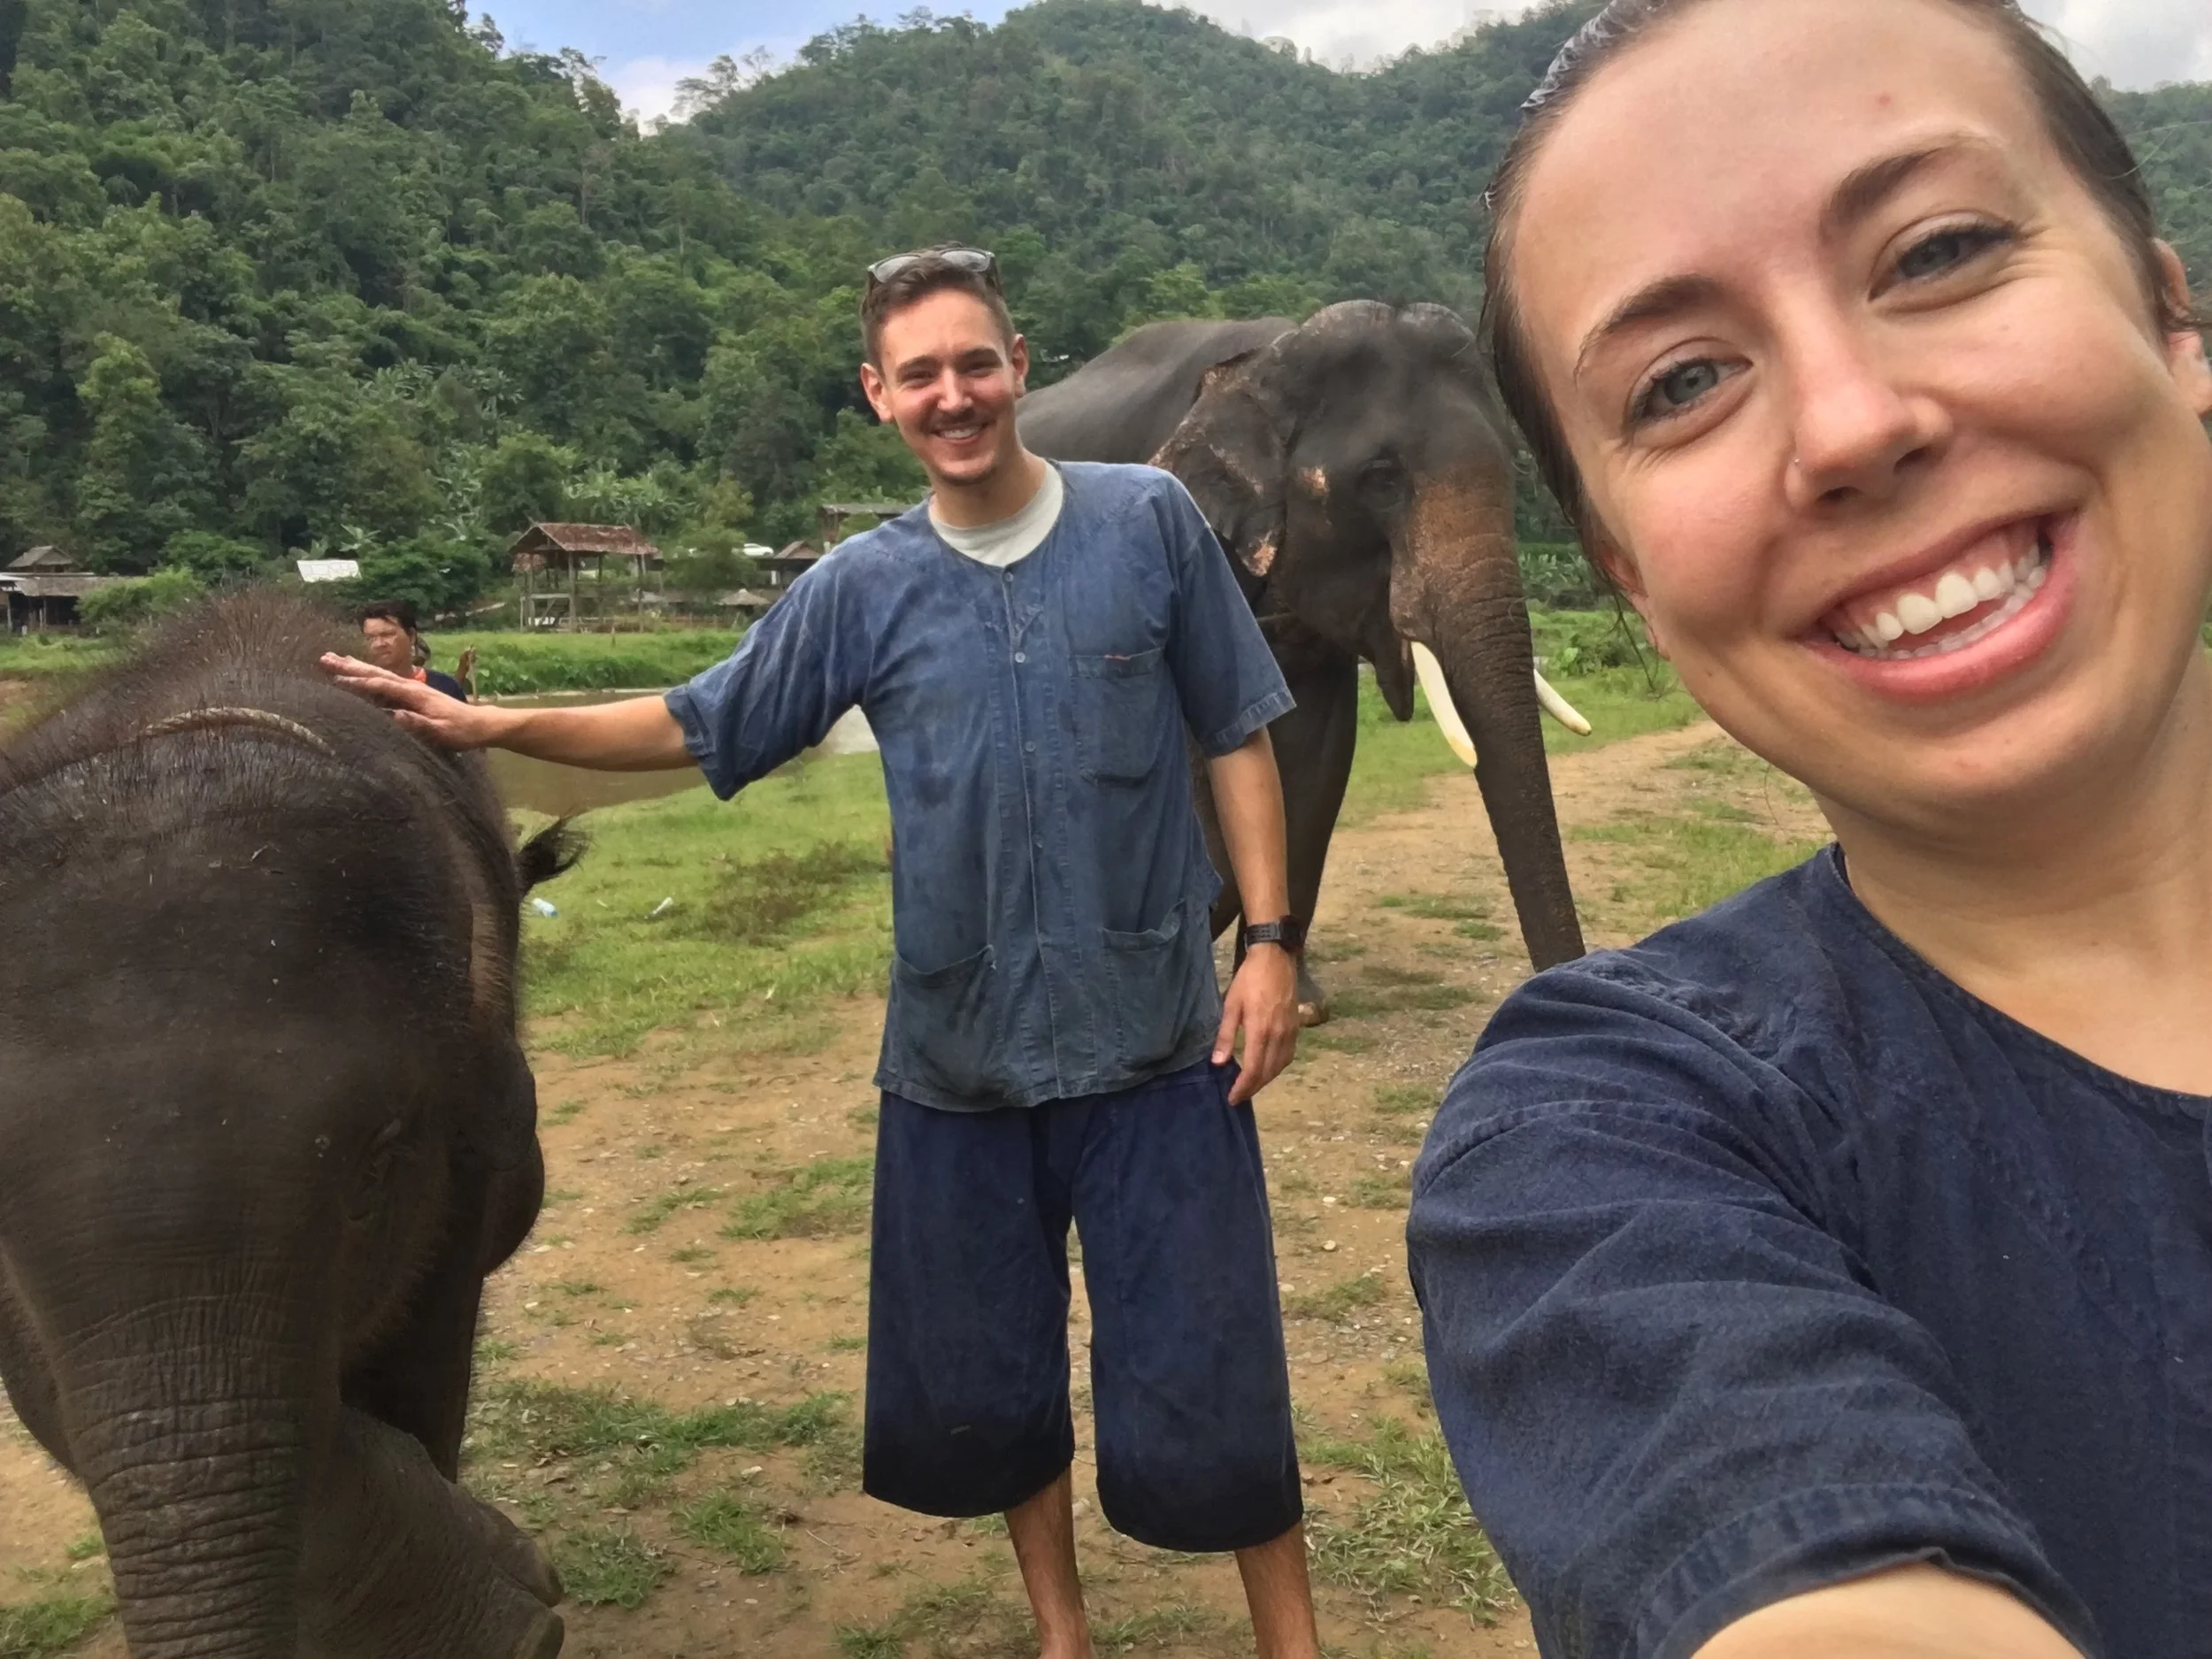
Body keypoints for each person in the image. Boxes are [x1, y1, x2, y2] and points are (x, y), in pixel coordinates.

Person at [322, 248, 1323, 1658]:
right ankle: (1062, 1633)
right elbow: (696, 720)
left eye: (975, 363)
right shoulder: (862, 586)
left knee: (1215, 1364)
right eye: (921, 374)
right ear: (879, 396)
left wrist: (1271, 940)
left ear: (1019, 362)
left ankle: (1296, 1642)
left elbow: (1235, 728)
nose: (954, 394)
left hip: (1158, 1036)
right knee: (996, 1373)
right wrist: (492, 728)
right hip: (959, 1061)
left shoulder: (1146, 522)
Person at [1404, 2, 2212, 1656]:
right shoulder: (1600, 1142)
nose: (1852, 426)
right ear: (1624, 570)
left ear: (2172, 312)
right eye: (1683, 383)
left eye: (1938, 251)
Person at [357, 599, 468, 701]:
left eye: (387, 635)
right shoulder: (358, 690)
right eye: (370, 638)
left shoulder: (445, 688)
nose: (378, 644)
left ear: (411, 636)